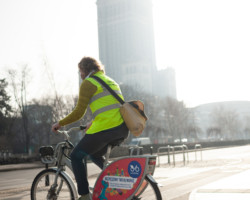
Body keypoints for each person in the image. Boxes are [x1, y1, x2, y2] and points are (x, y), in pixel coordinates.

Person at [52, 57, 129, 200]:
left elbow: (78, 112)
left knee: (76, 156)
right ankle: (120, 180)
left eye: (80, 71)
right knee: (94, 154)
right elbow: (111, 108)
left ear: (84, 70)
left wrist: (60, 123)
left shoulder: (89, 83)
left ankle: (85, 195)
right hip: (122, 128)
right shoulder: (109, 80)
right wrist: (93, 122)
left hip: (106, 129)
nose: (80, 75)